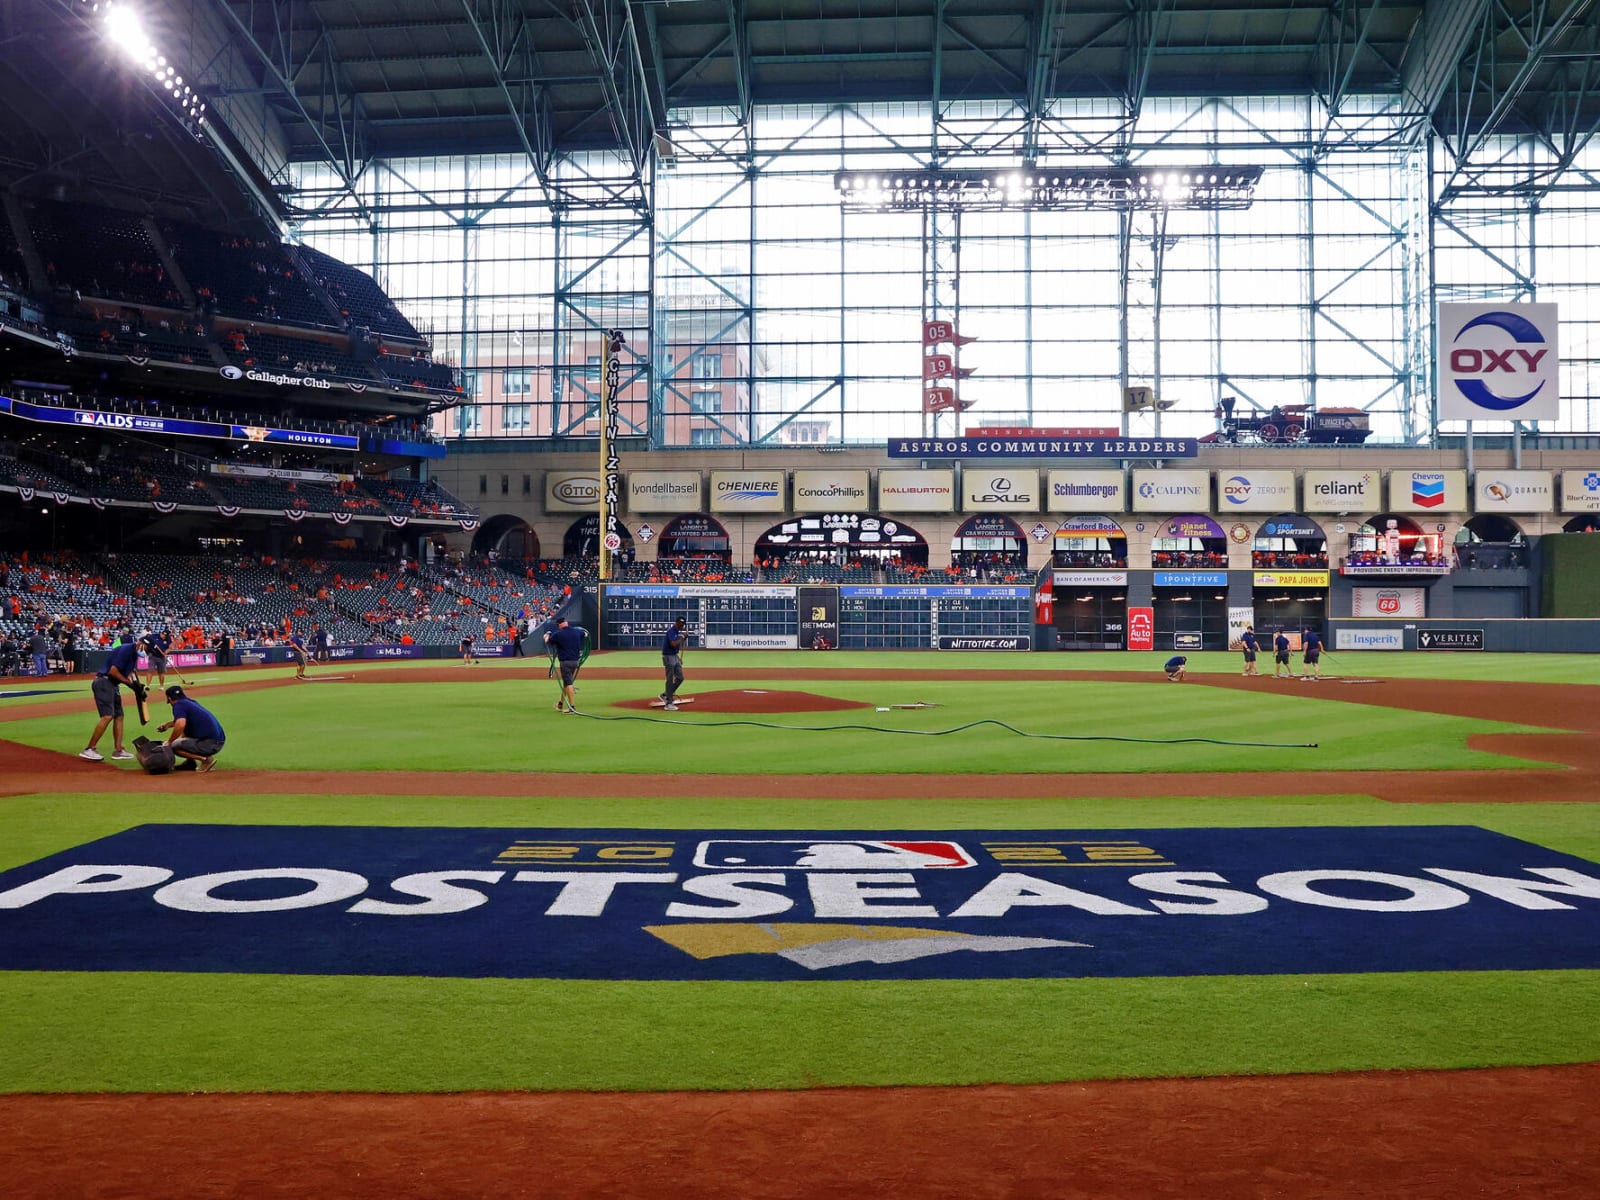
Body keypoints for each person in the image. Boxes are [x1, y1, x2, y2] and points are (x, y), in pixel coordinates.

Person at [81, 633, 142, 762]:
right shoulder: (125, 650)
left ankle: (118, 750)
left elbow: (132, 672)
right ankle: (90, 748)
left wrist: (137, 687)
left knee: (119, 716)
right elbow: (113, 671)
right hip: (104, 682)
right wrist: (130, 684)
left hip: (113, 685)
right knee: (107, 715)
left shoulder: (133, 655)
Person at [156, 685, 224, 772]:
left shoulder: (178, 705)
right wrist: (167, 725)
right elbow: (183, 721)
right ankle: (190, 763)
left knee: (173, 745)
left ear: (169, 698)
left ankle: (206, 760)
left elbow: (180, 724)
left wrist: (169, 742)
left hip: (210, 744)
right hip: (217, 741)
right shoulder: (190, 702)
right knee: (185, 733)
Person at [543, 617, 588, 713]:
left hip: (565, 662)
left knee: (569, 684)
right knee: (566, 683)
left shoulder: (558, 634)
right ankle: (560, 704)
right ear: (566, 623)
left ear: (559, 625)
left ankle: (572, 707)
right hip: (575, 661)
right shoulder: (577, 632)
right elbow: (585, 634)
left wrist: (546, 635)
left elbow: (547, 640)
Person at [660, 617, 687, 710]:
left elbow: (675, 647)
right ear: (676, 623)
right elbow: (673, 644)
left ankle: (666, 694)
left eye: (683, 624)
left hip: (674, 656)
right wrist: (682, 637)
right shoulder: (672, 631)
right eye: (680, 623)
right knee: (670, 679)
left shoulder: (676, 632)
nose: (682, 625)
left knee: (680, 678)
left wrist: (678, 658)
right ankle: (668, 703)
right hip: (668, 657)